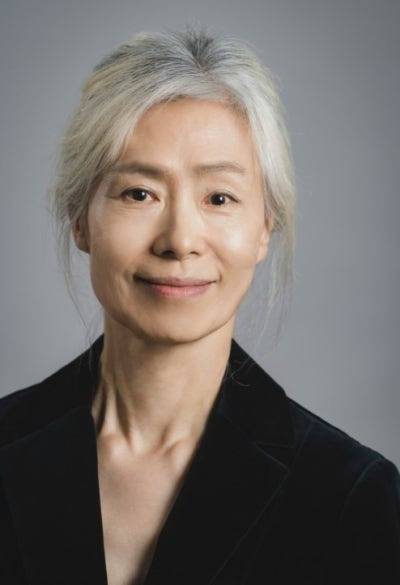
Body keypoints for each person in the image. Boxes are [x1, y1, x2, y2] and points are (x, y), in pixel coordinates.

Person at [0, 25, 399, 585]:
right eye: (139, 193)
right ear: (80, 219)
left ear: (264, 228)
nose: (180, 240)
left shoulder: (355, 496)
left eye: (219, 197)